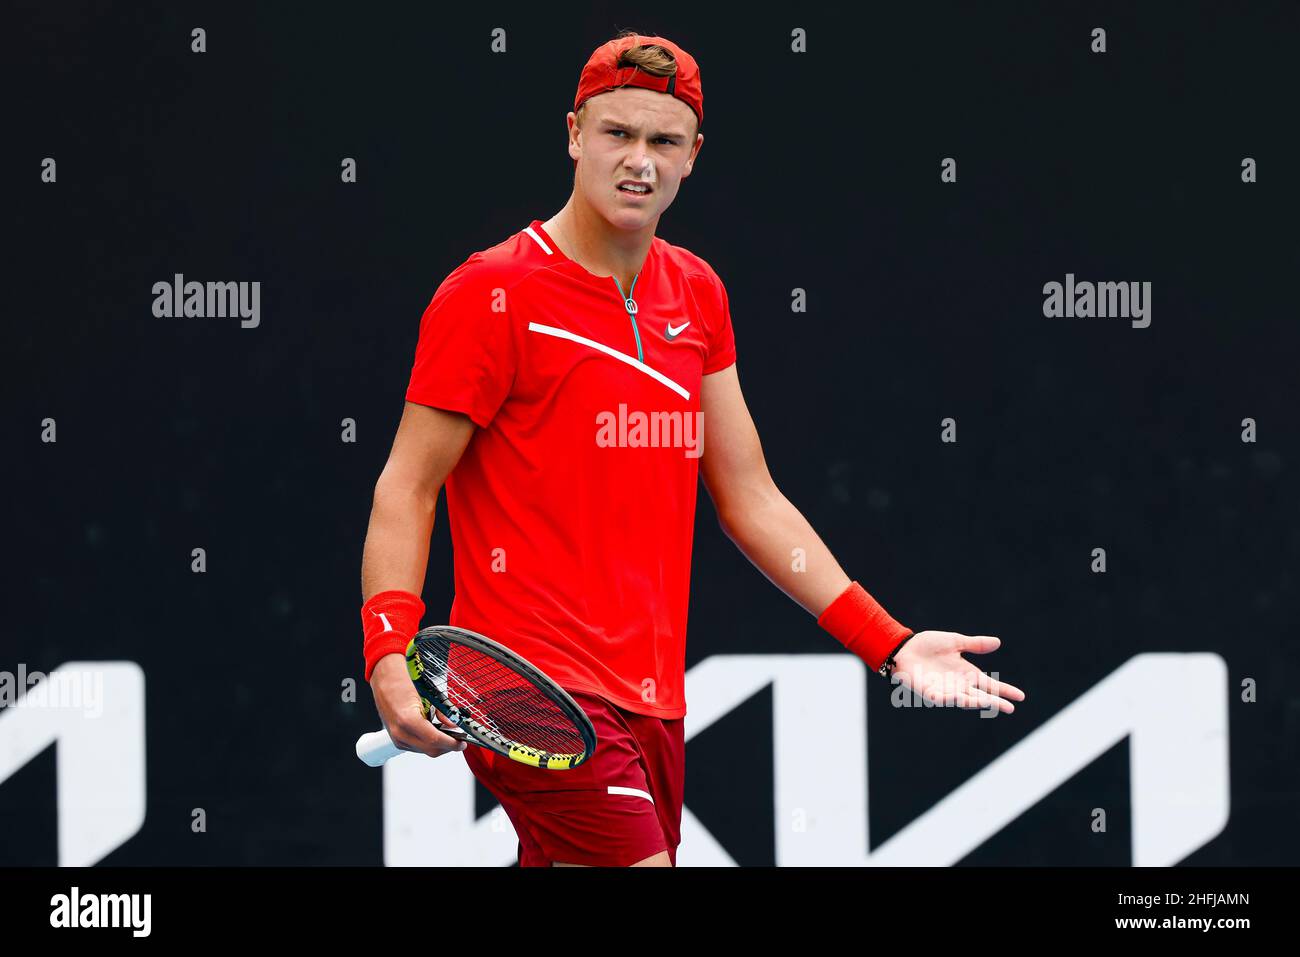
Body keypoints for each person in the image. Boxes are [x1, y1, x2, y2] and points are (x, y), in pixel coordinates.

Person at [359, 30, 1026, 867]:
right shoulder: (492, 293)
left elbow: (750, 497)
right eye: (617, 133)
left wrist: (887, 642)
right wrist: (389, 653)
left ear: (692, 156)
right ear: (573, 134)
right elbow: (406, 487)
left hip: (652, 698)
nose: (638, 160)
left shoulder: (697, 295)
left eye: (663, 141)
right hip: (533, 689)